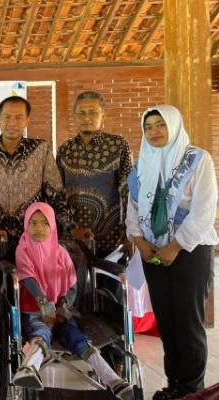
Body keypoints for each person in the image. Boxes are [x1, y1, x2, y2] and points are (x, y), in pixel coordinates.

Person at [0, 96, 73, 381]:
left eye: (18, 117)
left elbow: (54, 191)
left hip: (32, 240)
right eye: (7, 117)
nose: (12, 122)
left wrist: (60, 231)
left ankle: (31, 348)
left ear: (27, 120)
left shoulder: (40, 149)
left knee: (31, 293)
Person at [126, 105, 218, 400]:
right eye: (148, 127)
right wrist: (139, 242)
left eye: (160, 125)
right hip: (152, 250)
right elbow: (133, 208)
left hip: (190, 251)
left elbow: (204, 210)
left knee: (188, 323)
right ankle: (174, 385)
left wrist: (175, 246)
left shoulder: (198, 160)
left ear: (174, 125)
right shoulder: (143, 163)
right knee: (167, 322)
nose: (154, 131)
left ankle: (191, 390)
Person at [12, 202, 133, 400]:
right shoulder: (23, 249)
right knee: (41, 332)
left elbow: (72, 285)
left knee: (77, 337)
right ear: (26, 225)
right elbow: (28, 278)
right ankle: (28, 369)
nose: (39, 228)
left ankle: (113, 380)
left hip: (62, 312)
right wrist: (45, 305)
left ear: (52, 226)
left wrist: (62, 308)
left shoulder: (60, 252)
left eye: (44, 223)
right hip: (34, 311)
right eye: (33, 223)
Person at [57, 91, 133, 257]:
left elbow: (128, 192)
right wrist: (70, 228)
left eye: (92, 112)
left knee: (110, 275)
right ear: (75, 116)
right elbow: (58, 195)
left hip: (112, 239)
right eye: (81, 113)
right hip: (73, 239)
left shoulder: (118, 145)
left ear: (103, 115)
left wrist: (130, 233)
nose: (87, 118)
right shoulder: (65, 150)